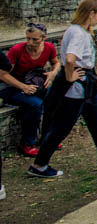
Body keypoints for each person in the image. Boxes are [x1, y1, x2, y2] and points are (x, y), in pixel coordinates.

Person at [29, 0, 97, 178]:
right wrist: (70, 77)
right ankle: (40, 165)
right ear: (91, 14)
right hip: (77, 86)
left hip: (86, 86)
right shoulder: (78, 33)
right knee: (62, 126)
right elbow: (70, 59)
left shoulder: (78, 31)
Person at [1, 24, 59, 157]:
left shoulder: (49, 48)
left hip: (33, 83)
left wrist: (53, 73)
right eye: (27, 38)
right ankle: (26, 144)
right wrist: (23, 87)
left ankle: (48, 137)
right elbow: (2, 74)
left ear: (44, 38)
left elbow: (56, 63)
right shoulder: (17, 50)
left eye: (34, 39)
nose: (30, 42)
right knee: (35, 104)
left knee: (54, 97)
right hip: (11, 86)